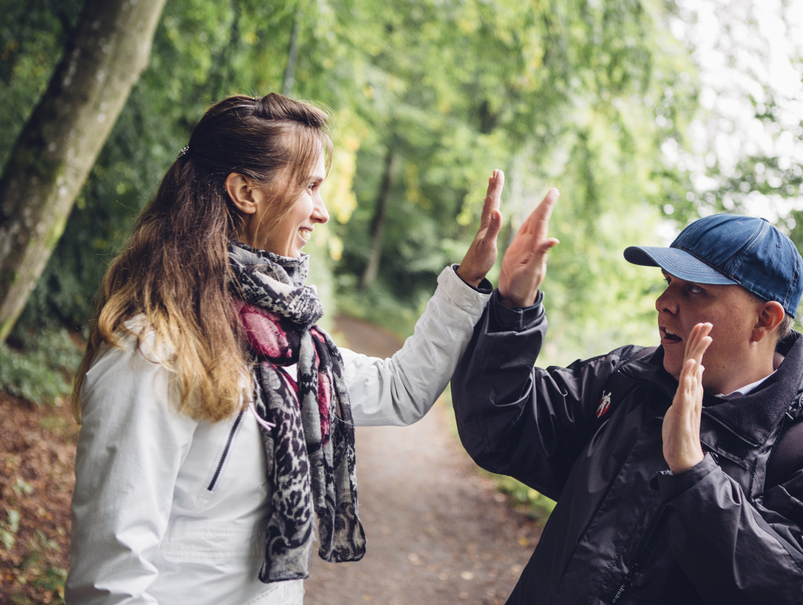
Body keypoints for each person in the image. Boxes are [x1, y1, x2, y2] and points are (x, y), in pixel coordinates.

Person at [66, 93, 510, 604]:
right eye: (311, 187)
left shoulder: (289, 347)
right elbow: (108, 583)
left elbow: (400, 391)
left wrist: (469, 279)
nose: (321, 212)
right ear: (245, 192)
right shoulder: (152, 352)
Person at [451, 194, 803, 605]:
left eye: (695, 291)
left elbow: (792, 591)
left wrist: (693, 474)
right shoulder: (628, 380)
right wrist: (513, 306)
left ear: (764, 319)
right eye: (668, 283)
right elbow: (498, 431)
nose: (663, 303)